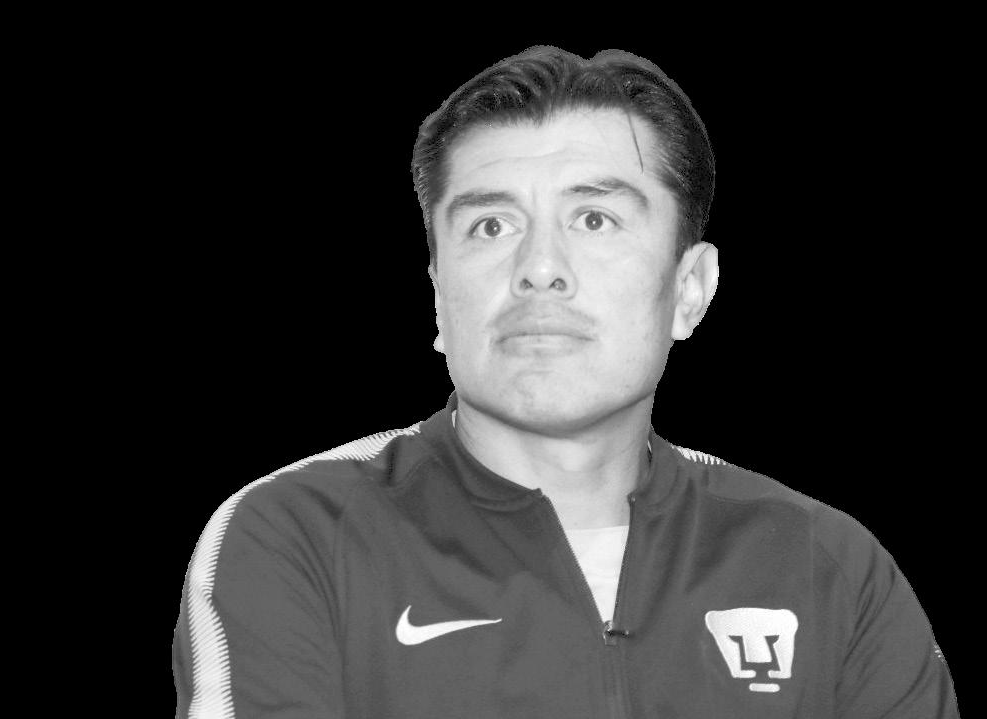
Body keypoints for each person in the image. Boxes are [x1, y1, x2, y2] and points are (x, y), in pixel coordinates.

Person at [172, 46, 959, 718]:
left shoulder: (827, 566)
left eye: (594, 219)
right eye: (491, 225)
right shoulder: (298, 536)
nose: (540, 268)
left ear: (689, 288)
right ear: (438, 296)